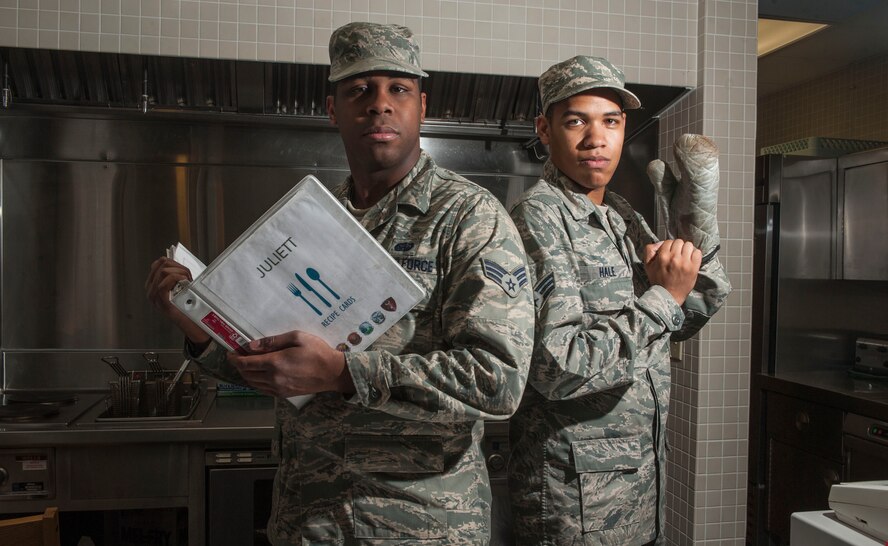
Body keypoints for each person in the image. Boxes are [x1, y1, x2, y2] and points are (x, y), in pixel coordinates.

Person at [146, 22, 534, 545]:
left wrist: (344, 373)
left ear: (422, 105)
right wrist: (197, 325)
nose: (379, 105)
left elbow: (499, 381)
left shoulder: (469, 217)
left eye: (398, 89)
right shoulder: (314, 218)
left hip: (418, 523)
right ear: (333, 111)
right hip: (310, 518)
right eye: (358, 90)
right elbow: (266, 363)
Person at [507, 55, 732, 545]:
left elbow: (684, 316)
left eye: (610, 121)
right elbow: (557, 366)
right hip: (575, 501)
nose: (596, 138)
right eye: (576, 121)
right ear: (545, 130)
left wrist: (697, 229)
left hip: (636, 485)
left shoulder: (618, 215)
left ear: (624, 127)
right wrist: (662, 295)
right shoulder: (537, 219)